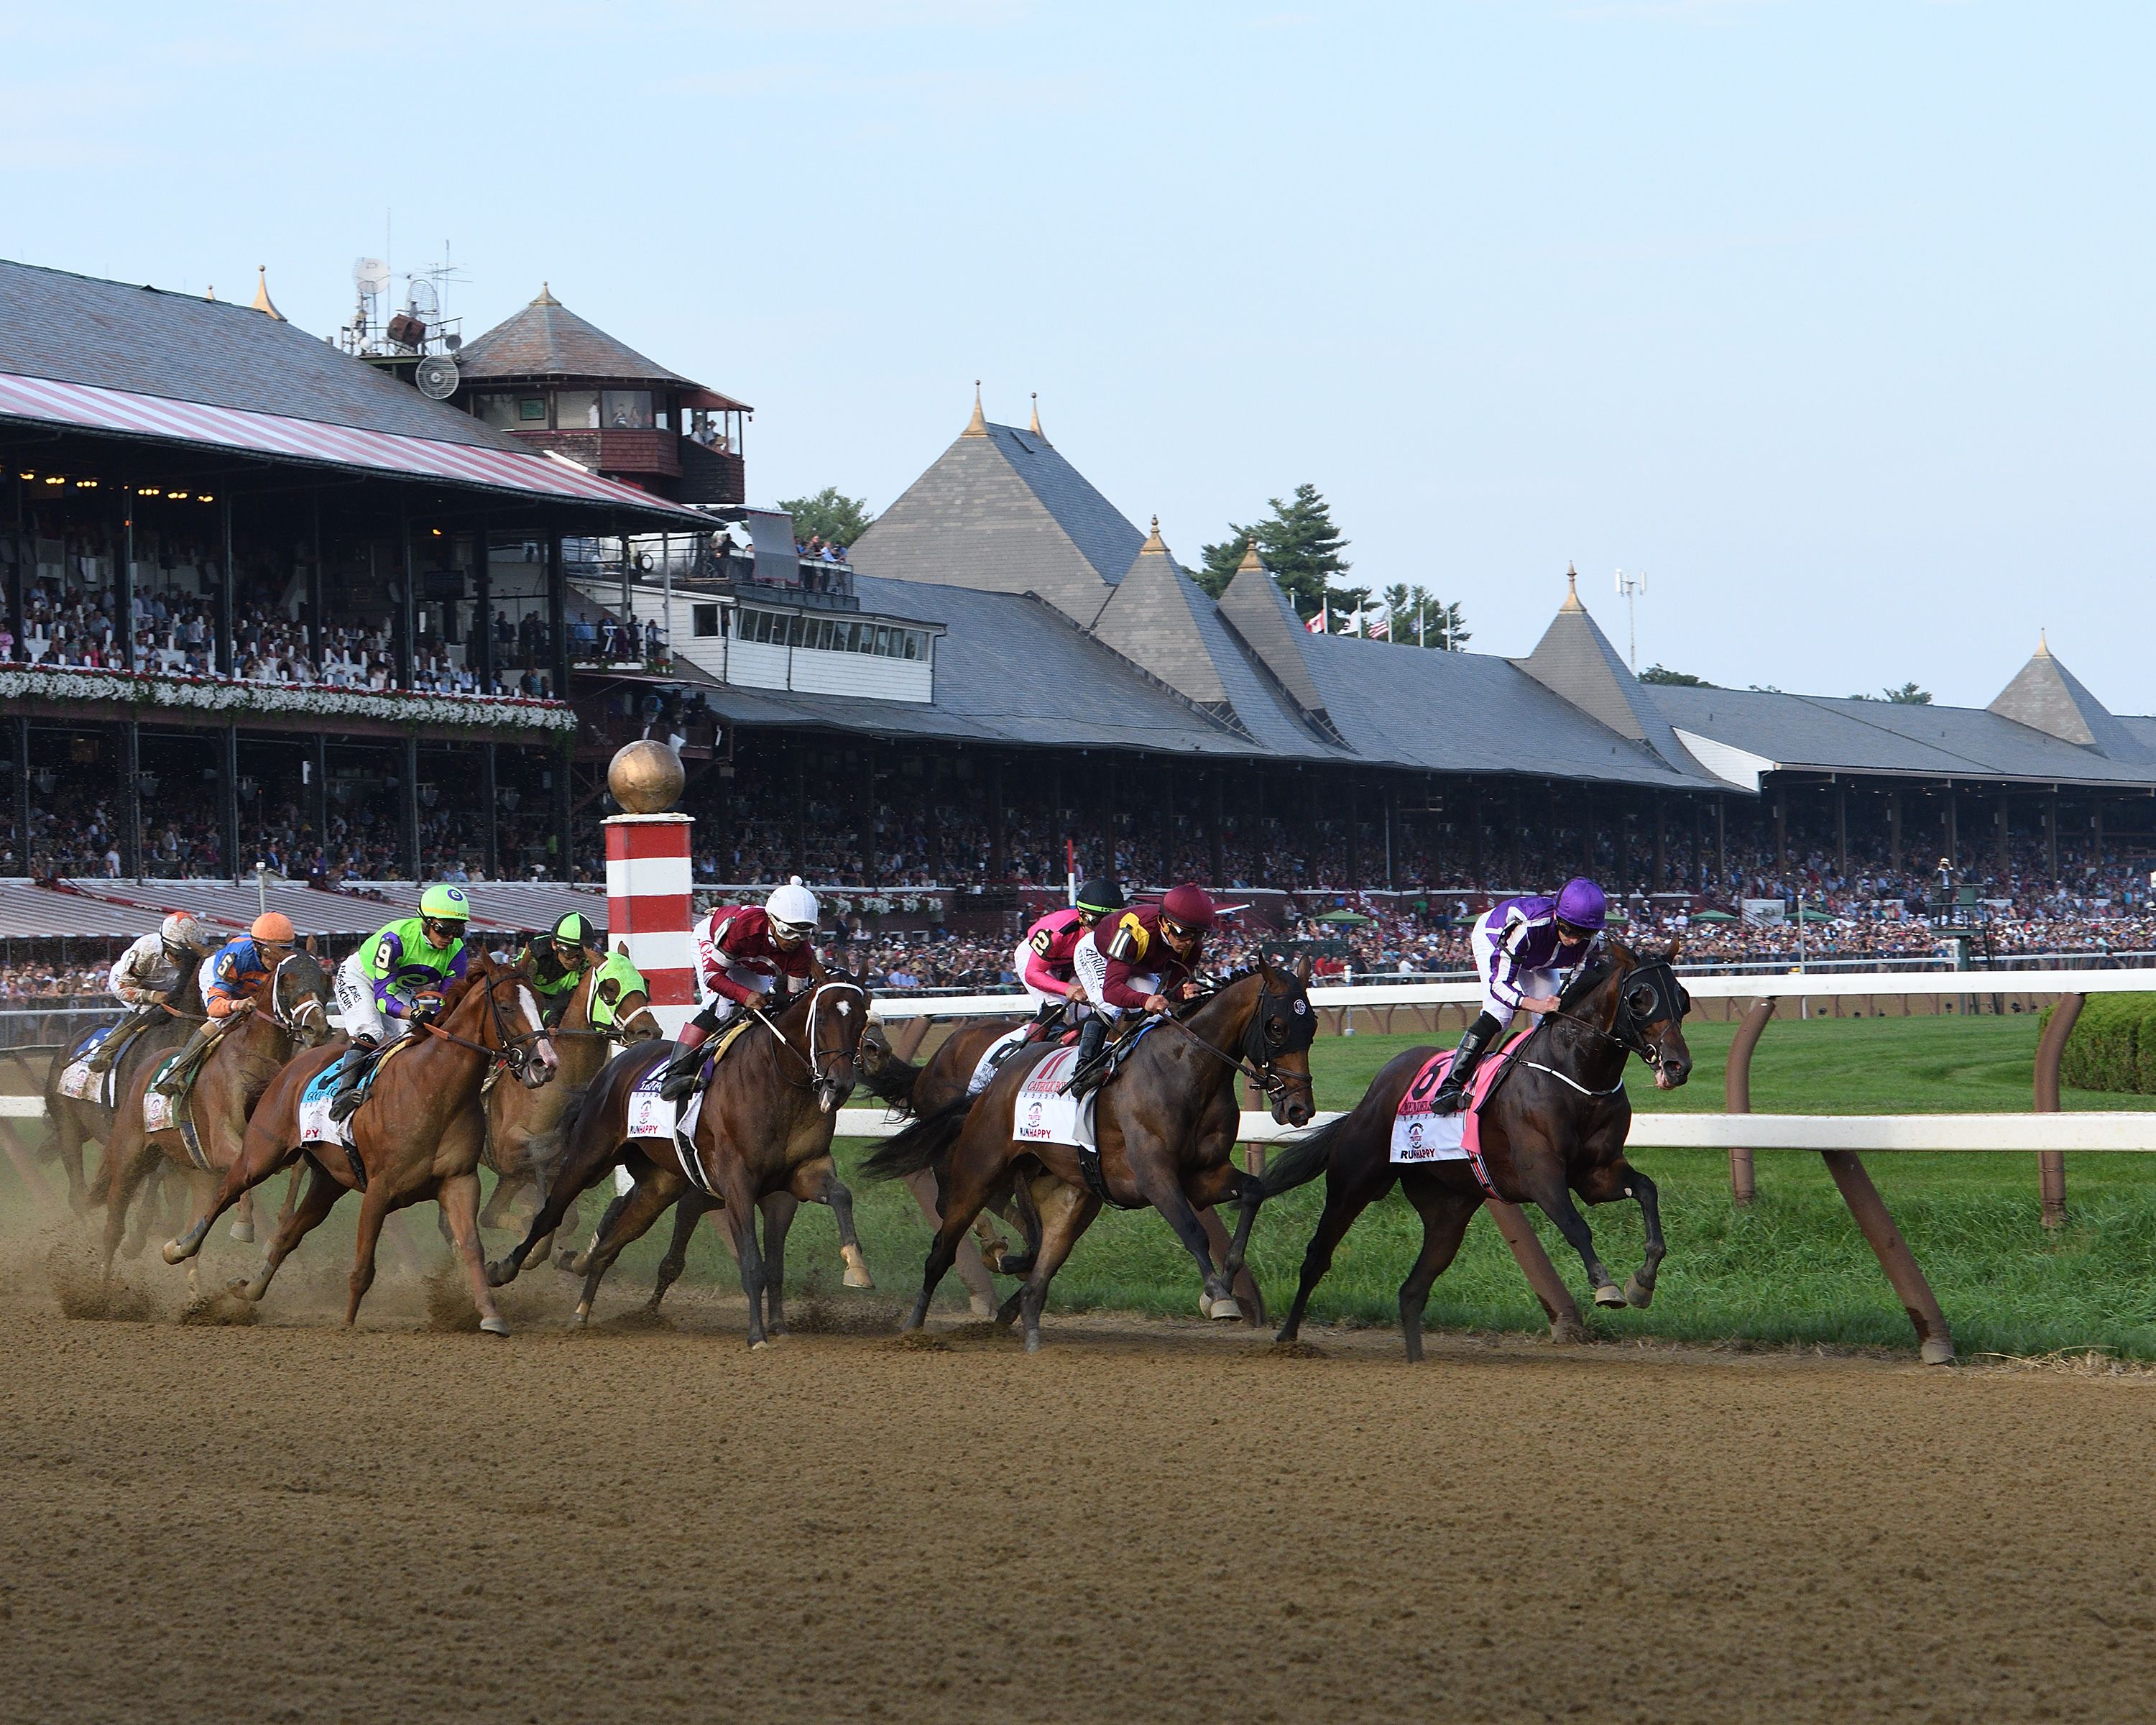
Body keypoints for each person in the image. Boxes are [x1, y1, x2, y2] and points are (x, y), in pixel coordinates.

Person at [1431, 876, 1606, 1115]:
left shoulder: (1591, 943)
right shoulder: (1527, 927)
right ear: (1557, 917)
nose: (1575, 940)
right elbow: (1500, 986)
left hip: (1540, 957)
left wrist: (1558, 1005)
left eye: (1584, 934)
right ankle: (1451, 1085)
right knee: (1500, 1015)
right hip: (1495, 939)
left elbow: (1576, 987)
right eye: (1570, 930)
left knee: (1553, 1020)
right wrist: (1534, 1004)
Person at [654, 878, 825, 1101]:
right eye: (787, 931)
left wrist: (777, 1000)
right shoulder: (743, 929)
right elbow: (712, 976)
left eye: (803, 933)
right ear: (772, 921)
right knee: (721, 1007)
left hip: (750, 958)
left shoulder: (802, 953)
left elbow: (792, 1002)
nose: (794, 941)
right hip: (715, 941)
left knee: (764, 1013)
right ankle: (674, 1074)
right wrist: (745, 995)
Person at [328, 883, 473, 1123]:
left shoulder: (456, 951)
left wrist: (432, 1016)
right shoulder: (396, 939)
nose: (450, 938)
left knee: (417, 1037)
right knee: (371, 1030)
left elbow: (450, 1001)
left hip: (399, 986)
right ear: (426, 922)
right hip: (361, 978)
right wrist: (413, 1013)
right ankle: (343, 1094)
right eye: (444, 930)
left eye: (458, 932)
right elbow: (383, 1000)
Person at [1066, 883, 1215, 1087]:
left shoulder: (1191, 947)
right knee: (1107, 1003)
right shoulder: (1134, 932)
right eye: (1182, 933)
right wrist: (1145, 1001)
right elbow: (1111, 990)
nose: (1189, 942)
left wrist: (1184, 993)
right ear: (1163, 922)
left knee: (1163, 1014)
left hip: (1137, 962)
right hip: (1100, 952)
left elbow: (1172, 991)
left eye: (1197, 935)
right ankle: (1083, 1070)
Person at [155, 913, 298, 1094]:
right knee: (223, 1020)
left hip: (252, 978)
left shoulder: (286, 958)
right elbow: (215, 1008)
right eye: (269, 957)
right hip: (219, 976)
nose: (273, 963)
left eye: (280, 954)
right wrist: (235, 1005)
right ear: (257, 947)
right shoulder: (237, 957)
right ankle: (178, 1071)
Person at [87, 911, 210, 1072]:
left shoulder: (192, 950)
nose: (184, 962)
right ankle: (106, 1050)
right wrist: (151, 996)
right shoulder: (147, 950)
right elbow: (123, 987)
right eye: (179, 956)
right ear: (167, 946)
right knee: (151, 1012)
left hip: (167, 987)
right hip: (130, 983)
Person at [1013, 878, 1125, 1037]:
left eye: (1108, 923)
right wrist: (1067, 989)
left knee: (1089, 1012)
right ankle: (1027, 1053)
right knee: (1055, 1007)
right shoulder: (1059, 932)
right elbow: (1033, 974)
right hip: (1036, 960)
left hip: (1071, 963)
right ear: (1081, 916)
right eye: (1094, 921)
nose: (1100, 931)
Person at [520, 911, 599, 1026]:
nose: (574, 960)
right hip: (533, 999)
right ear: (554, 944)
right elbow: (518, 989)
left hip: (566, 1000)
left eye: (581, 953)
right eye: (569, 952)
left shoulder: (589, 961)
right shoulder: (536, 954)